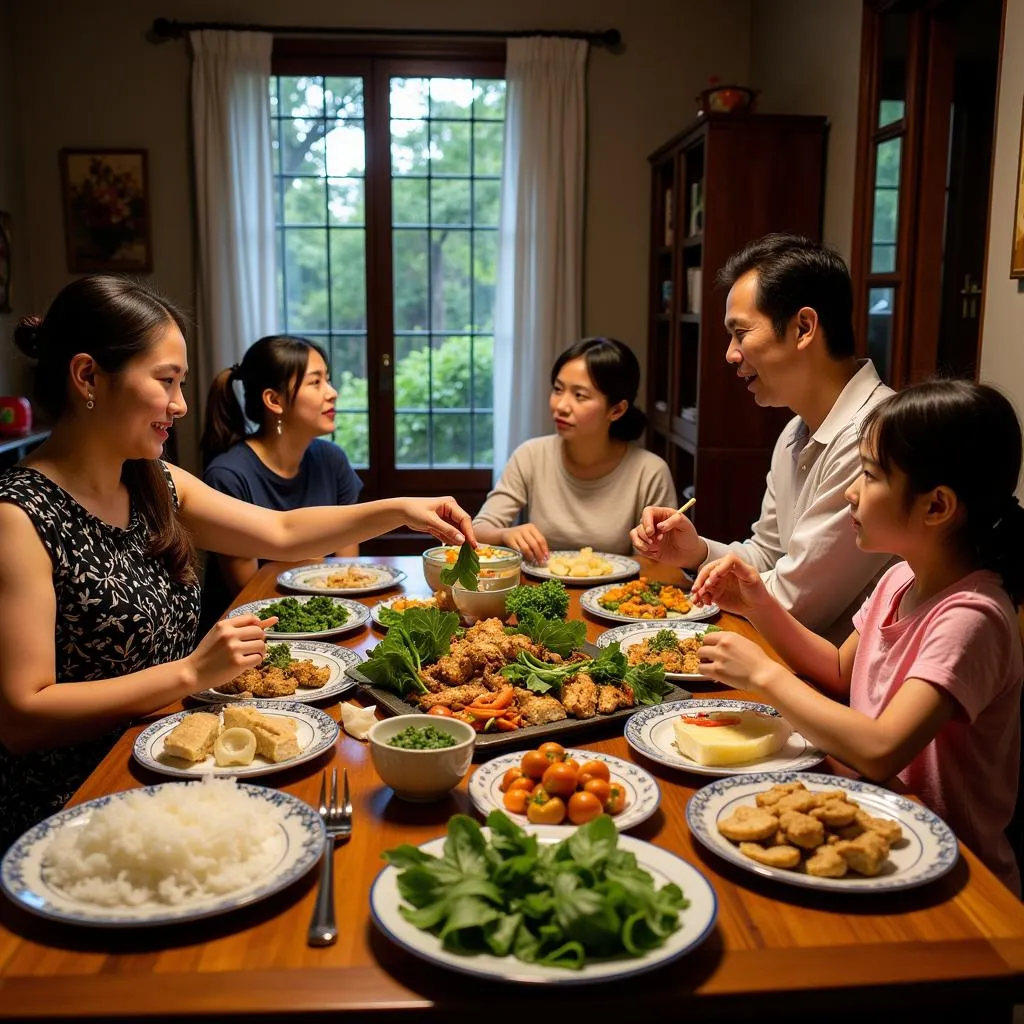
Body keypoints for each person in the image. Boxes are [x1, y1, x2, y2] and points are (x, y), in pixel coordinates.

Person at [0, 275, 475, 850]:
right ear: (87, 377)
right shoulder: (19, 515)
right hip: (83, 802)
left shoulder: (155, 482)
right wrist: (190, 675)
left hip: (178, 759)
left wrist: (398, 510)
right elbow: (23, 715)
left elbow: (279, 529)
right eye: (165, 381)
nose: (178, 405)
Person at [692, 380, 1024, 894]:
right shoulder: (900, 578)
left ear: (936, 506)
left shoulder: (972, 617)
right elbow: (843, 669)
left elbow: (881, 749)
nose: (851, 490)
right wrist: (758, 604)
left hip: (956, 873)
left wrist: (763, 675)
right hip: (877, 824)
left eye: (869, 475)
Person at [631, 234, 894, 645]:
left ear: (803, 328)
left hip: (839, 686)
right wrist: (697, 552)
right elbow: (769, 556)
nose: (730, 354)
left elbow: (794, 603)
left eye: (741, 333)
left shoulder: (873, 437)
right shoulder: (796, 427)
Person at [199, 336, 362, 630]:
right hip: (254, 634)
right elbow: (253, 594)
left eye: (328, 379)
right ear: (274, 400)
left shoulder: (332, 460)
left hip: (326, 620)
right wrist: (312, 557)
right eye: (316, 382)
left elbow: (346, 576)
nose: (333, 393)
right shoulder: (228, 476)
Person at [473, 337, 676, 560]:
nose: (560, 406)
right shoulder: (531, 455)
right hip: (540, 590)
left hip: (615, 592)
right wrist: (505, 534)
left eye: (579, 395)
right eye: (558, 389)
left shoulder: (649, 471)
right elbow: (478, 530)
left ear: (616, 410)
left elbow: (659, 560)